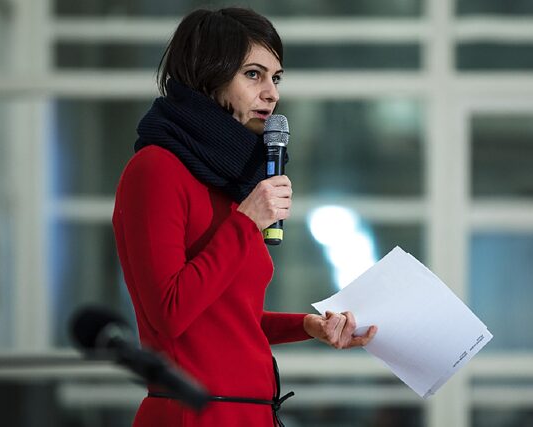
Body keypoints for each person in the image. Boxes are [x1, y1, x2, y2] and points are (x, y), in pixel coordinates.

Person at [112, 7, 378, 427]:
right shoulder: (156, 169)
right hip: (193, 416)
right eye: (253, 74)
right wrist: (246, 221)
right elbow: (169, 313)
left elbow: (229, 320)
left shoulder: (230, 182)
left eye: (276, 78)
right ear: (208, 76)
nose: (271, 93)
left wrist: (306, 326)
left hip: (251, 415)